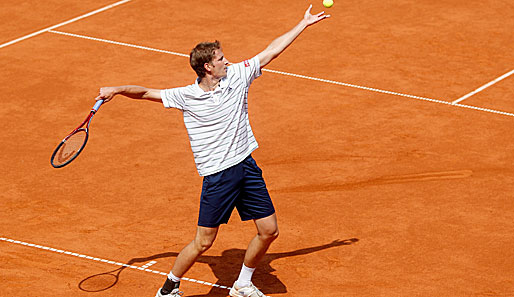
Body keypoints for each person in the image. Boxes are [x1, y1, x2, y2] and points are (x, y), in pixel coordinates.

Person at [95, 5, 329, 297]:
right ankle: (170, 286)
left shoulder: (238, 76)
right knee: (204, 243)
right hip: (218, 175)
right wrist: (116, 89)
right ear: (208, 67)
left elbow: (271, 52)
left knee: (269, 230)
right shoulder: (186, 96)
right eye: (220, 58)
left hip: (246, 165)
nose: (226, 61)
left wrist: (302, 24)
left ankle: (242, 283)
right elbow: (144, 93)